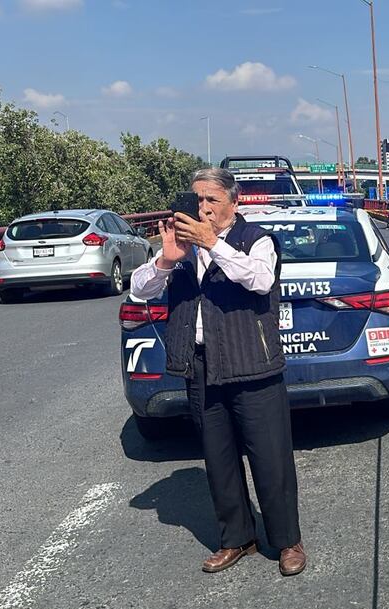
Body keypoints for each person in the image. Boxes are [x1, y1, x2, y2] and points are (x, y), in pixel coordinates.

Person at [130, 168, 306, 577]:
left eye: (211, 200)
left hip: (253, 365)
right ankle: (237, 538)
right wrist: (165, 260)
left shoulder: (255, 239)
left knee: (271, 459)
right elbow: (139, 290)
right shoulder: (180, 247)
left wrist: (213, 244)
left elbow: (260, 280)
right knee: (218, 458)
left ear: (233, 202)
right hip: (201, 365)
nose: (203, 208)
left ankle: (286, 540)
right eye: (198, 200)